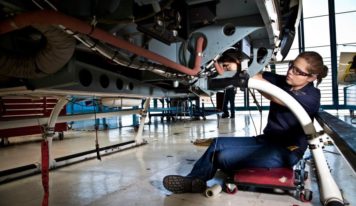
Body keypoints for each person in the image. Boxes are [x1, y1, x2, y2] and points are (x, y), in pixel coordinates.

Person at [162, 51, 328, 193]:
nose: (290, 71)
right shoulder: (285, 81)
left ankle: (218, 167)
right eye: (292, 65)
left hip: (286, 151)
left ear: (311, 77)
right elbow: (259, 76)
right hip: (265, 141)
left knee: (223, 157)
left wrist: (252, 81)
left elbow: (275, 96)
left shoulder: (312, 96)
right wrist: (237, 67)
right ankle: (193, 181)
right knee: (217, 143)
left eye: (298, 71)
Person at [219, 49, 240, 119]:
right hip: (227, 88)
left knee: (231, 103)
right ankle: (226, 114)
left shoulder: (233, 65)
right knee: (225, 104)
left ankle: (232, 115)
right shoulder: (227, 66)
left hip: (231, 88)